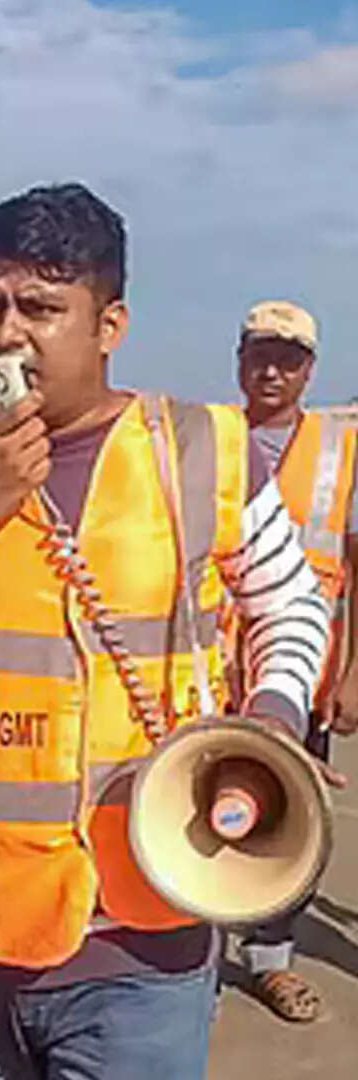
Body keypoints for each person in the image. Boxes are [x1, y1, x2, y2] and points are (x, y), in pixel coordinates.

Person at [0, 183, 336, 1078]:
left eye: (42, 308)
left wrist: (277, 714)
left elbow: (289, 602)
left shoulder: (202, 449)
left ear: (110, 324)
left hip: (145, 947)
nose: (6, 334)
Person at [232, 299, 358, 1023]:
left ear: (309, 370)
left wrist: (350, 675)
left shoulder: (340, 453)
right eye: (259, 354)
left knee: (288, 823)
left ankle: (269, 961)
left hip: (303, 679)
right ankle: (182, 956)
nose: (272, 369)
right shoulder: (209, 444)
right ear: (240, 360)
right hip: (208, 674)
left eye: (288, 357)